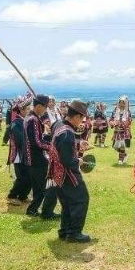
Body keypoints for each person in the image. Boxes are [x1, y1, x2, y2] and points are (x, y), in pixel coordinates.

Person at [47, 99, 91, 242]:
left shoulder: (58, 124)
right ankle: (73, 233)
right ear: (77, 116)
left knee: (67, 203)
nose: (82, 121)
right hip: (67, 174)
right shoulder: (68, 134)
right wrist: (78, 161)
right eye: (82, 118)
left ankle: (65, 231)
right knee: (81, 199)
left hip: (56, 174)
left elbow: (61, 145)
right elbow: (66, 160)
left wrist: (78, 144)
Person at [24, 94, 59, 219]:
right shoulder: (33, 119)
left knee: (39, 188)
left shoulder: (31, 117)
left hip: (33, 158)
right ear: (39, 106)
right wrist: (52, 147)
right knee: (48, 187)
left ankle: (32, 210)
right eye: (45, 107)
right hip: (37, 158)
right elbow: (37, 142)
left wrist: (49, 138)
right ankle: (47, 213)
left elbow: (39, 138)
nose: (45, 110)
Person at [7, 94, 33, 206]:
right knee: (22, 177)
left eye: (29, 108)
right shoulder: (16, 123)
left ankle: (23, 195)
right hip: (19, 154)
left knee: (29, 176)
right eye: (27, 109)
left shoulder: (26, 121)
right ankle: (12, 195)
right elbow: (20, 140)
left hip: (27, 153)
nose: (29, 111)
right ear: (21, 110)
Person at [110, 96, 132, 165]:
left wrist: (123, 124)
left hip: (124, 131)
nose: (121, 105)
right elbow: (111, 119)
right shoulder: (115, 111)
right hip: (117, 131)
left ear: (126, 104)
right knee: (115, 147)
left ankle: (120, 159)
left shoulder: (128, 112)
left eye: (123, 103)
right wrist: (113, 124)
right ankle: (124, 154)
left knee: (122, 145)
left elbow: (129, 121)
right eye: (120, 103)